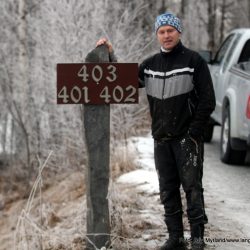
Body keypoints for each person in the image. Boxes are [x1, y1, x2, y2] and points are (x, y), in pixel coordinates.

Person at [97, 12, 215, 250]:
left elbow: (208, 100)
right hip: (161, 139)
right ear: (157, 36)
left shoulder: (194, 62)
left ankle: (198, 240)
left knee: (192, 188)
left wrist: (194, 132)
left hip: (187, 139)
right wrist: (109, 55)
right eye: (161, 32)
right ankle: (176, 239)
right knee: (168, 190)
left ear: (178, 32)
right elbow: (123, 81)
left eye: (170, 30)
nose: (166, 35)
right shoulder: (150, 65)